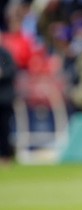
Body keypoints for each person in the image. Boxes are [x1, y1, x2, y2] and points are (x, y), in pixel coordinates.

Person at [0, 30, 17, 163]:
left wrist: (3, 72)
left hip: (5, 99)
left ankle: (6, 156)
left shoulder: (5, 54)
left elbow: (12, 71)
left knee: (5, 128)